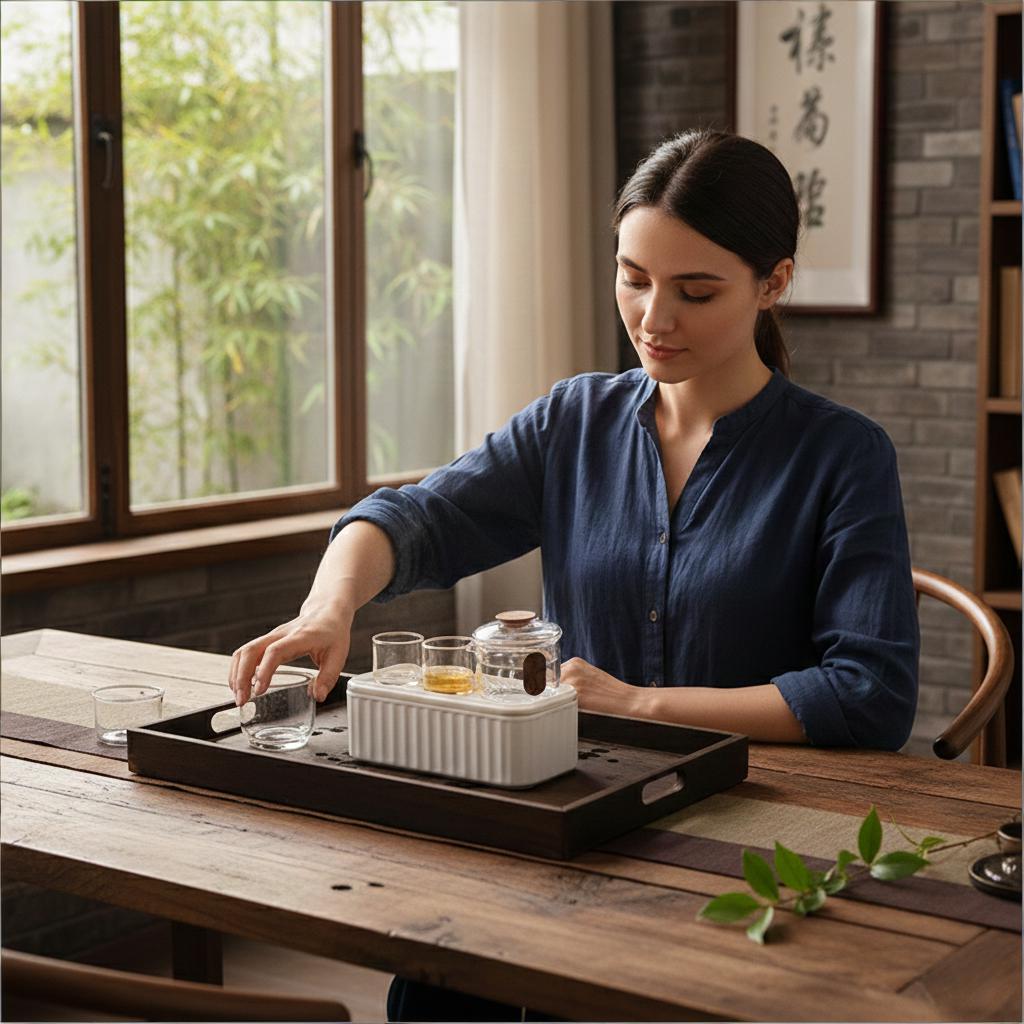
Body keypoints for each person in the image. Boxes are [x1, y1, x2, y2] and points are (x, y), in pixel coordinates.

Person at [228, 128, 919, 1020]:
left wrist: (640, 705)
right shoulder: (575, 421)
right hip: (569, 808)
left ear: (773, 282)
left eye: (696, 291)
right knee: (441, 979)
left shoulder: (843, 456)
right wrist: (330, 609)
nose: (653, 319)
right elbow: (414, 517)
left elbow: (869, 693)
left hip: (750, 839)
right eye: (633, 278)